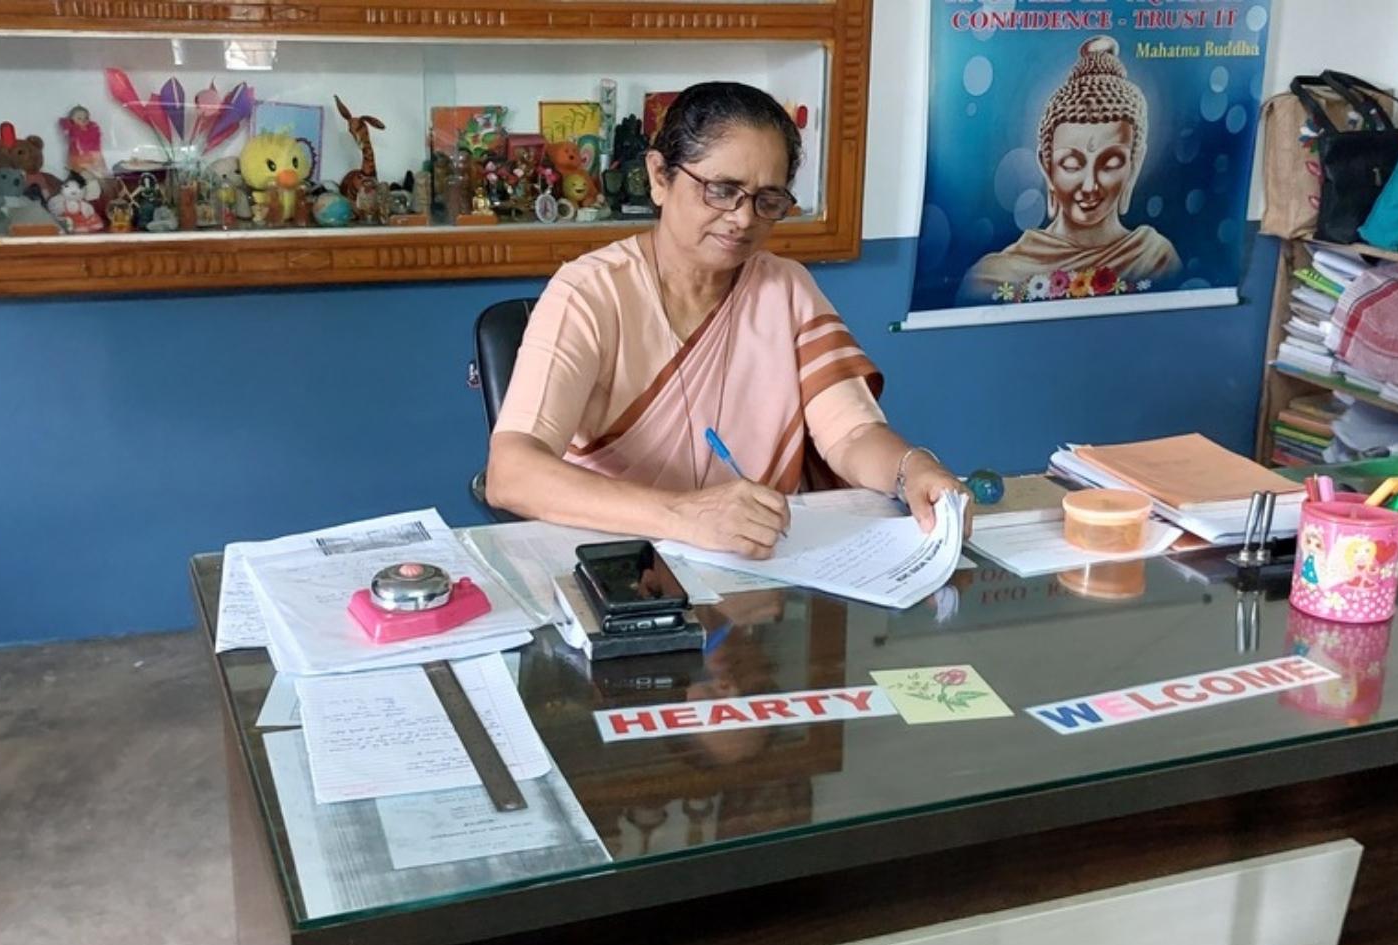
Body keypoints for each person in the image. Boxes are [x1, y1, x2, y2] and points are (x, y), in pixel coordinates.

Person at [486, 81, 967, 560]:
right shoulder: (589, 294)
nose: (742, 219)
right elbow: (512, 472)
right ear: (659, 176)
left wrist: (912, 468)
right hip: (622, 565)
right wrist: (686, 516)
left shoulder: (787, 289)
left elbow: (852, 434)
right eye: (721, 190)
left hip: (761, 565)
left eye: (767, 200)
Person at [962, 36, 1179, 303]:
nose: (1089, 186)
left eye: (1110, 164)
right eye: (1072, 164)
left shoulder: (1154, 258)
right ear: (1046, 165)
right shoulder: (993, 275)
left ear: (1134, 164)